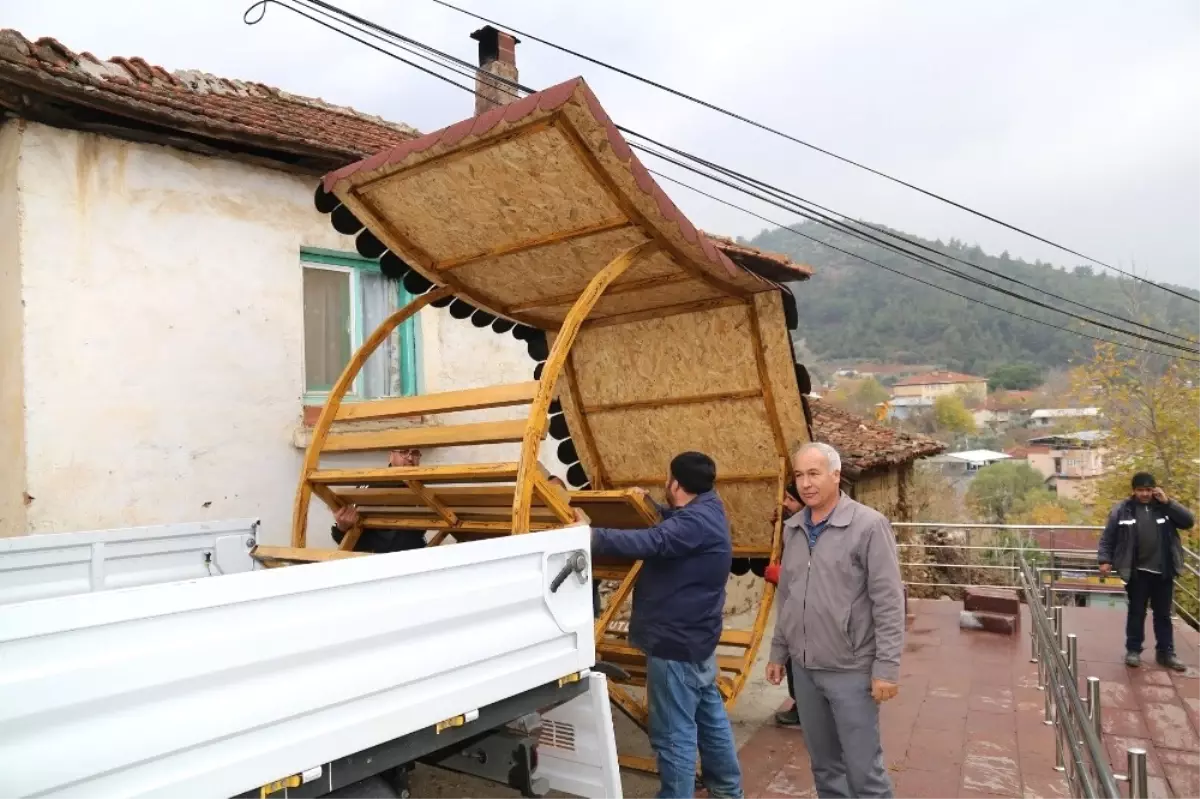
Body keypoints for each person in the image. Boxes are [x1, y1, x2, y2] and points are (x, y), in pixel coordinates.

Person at [583, 452, 743, 799]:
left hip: (675, 644)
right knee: (710, 720)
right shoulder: (709, 508)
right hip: (696, 640)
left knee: (674, 734)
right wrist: (653, 507)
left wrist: (589, 535)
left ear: (677, 484)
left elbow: (653, 541)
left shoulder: (693, 524)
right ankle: (728, 790)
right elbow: (675, 525)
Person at [766, 442, 904, 799]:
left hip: (851, 669)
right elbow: (789, 595)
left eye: (814, 473)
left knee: (864, 774)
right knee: (825, 769)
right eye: (799, 475)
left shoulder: (869, 526)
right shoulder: (793, 528)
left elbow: (888, 601)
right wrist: (778, 652)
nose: (806, 483)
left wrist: (886, 668)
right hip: (806, 670)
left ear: (836, 475)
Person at [1098, 472, 1195, 671]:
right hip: (1137, 571)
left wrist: (1168, 502)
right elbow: (1109, 536)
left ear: (1154, 490)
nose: (1145, 493)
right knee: (1136, 612)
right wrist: (1105, 560)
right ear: (1133, 491)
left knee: (1163, 615)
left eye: (1148, 490)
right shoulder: (1123, 510)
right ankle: (1133, 650)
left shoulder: (1163, 508)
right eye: (1141, 490)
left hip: (1163, 571)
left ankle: (1166, 653)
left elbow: (1188, 522)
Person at [331, 448, 428, 553]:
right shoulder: (372, 484)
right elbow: (344, 533)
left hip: (414, 559)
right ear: (390, 456)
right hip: (373, 560)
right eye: (404, 452)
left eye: (415, 453)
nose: (410, 458)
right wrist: (342, 527)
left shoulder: (422, 489)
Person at [765, 482, 804, 727]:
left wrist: (781, 574)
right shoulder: (794, 526)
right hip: (793, 608)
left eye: (790, 499)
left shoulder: (807, 529)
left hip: (805, 610)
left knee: (801, 661)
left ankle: (804, 709)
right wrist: (776, 527)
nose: (785, 503)